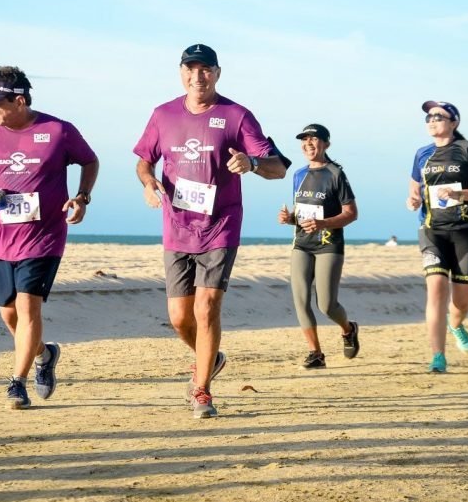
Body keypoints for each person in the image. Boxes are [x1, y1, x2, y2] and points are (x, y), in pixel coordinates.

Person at [134, 44, 286, 418]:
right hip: (176, 226)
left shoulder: (236, 116)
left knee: (207, 307)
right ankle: (211, 358)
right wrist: (148, 183)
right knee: (179, 318)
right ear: (181, 72)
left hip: (220, 224)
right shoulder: (162, 114)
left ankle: (202, 390)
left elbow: (278, 167)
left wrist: (250, 162)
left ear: (217, 73)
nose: (197, 76)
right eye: (191, 69)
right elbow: (143, 161)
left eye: (206, 70)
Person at [0, 66, 99, 409]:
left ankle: (17, 383)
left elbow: (89, 161)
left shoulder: (58, 131)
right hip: (3, 239)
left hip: (45, 237)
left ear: (20, 101)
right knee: (8, 314)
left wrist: (82, 197)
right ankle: (44, 353)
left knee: (28, 307)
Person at [405, 100, 468, 373]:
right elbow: (414, 189)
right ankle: (438, 357)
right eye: (429, 117)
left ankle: (455, 324)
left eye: (439, 116)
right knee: (435, 290)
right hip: (432, 230)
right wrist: (412, 200)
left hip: (465, 231)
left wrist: (460, 195)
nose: (432, 120)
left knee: (462, 301)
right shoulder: (422, 154)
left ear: (453, 122)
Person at [277, 123, 360, 369]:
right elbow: (302, 212)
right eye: (304, 140)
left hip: (328, 245)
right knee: (301, 300)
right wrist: (289, 218)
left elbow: (351, 213)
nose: (308, 143)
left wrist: (324, 223)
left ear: (326, 144)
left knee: (326, 305)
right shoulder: (299, 174)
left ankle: (348, 329)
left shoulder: (335, 174)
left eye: (314, 139)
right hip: (302, 244)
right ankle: (316, 354)